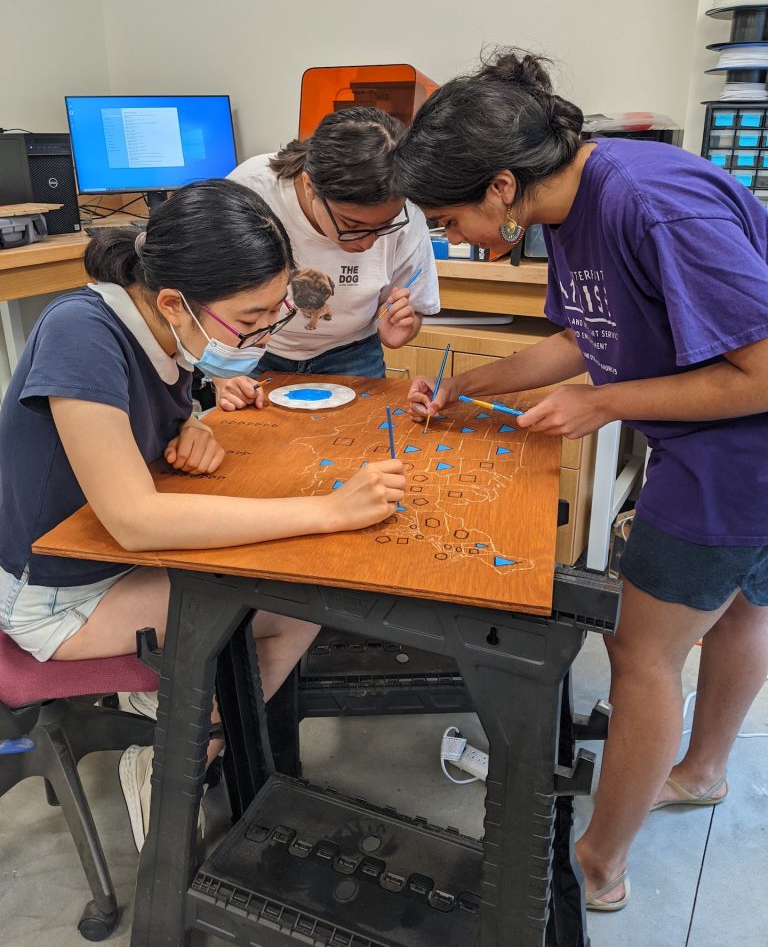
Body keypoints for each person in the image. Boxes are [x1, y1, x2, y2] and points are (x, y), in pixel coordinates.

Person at [394, 49, 768, 911]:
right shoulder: (567, 205)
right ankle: (703, 770)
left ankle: (599, 861)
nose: (451, 240)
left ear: (497, 185)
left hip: (737, 457)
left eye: (449, 219)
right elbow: (581, 335)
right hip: (720, 446)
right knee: (743, 606)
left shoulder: (650, 204)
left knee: (642, 653)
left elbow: (759, 370)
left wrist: (603, 403)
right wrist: (464, 387)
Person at [0, 179, 405, 850]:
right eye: (249, 320)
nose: (262, 334)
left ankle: (195, 727)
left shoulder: (167, 334)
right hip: (59, 597)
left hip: (114, 560)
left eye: (272, 314)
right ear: (172, 302)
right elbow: (135, 519)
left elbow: (143, 426)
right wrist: (327, 511)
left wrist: (189, 426)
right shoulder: (82, 333)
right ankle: (175, 760)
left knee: (303, 601)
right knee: (293, 593)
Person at [216, 106, 440, 411]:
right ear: (310, 186)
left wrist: (404, 325)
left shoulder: (407, 209)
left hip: (352, 353)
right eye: (352, 226)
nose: (369, 242)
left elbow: (414, 308)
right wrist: (221, 376)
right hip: (253, 353)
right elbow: (201, 293)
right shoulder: (250, 191)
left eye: (383, 227)